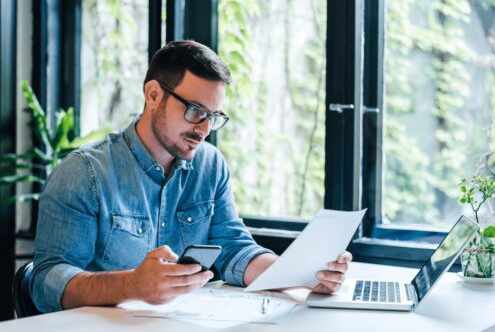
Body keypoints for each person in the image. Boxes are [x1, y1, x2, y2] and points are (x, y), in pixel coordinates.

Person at [31, 40, 353, 313]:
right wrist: (130, 285)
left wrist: (301, 274)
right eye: (195, 111)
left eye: (213, 117)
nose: (203, 130)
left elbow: (233, 247)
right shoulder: (84, 173)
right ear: (153, 94)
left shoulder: (210, 166)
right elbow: (47, 282)